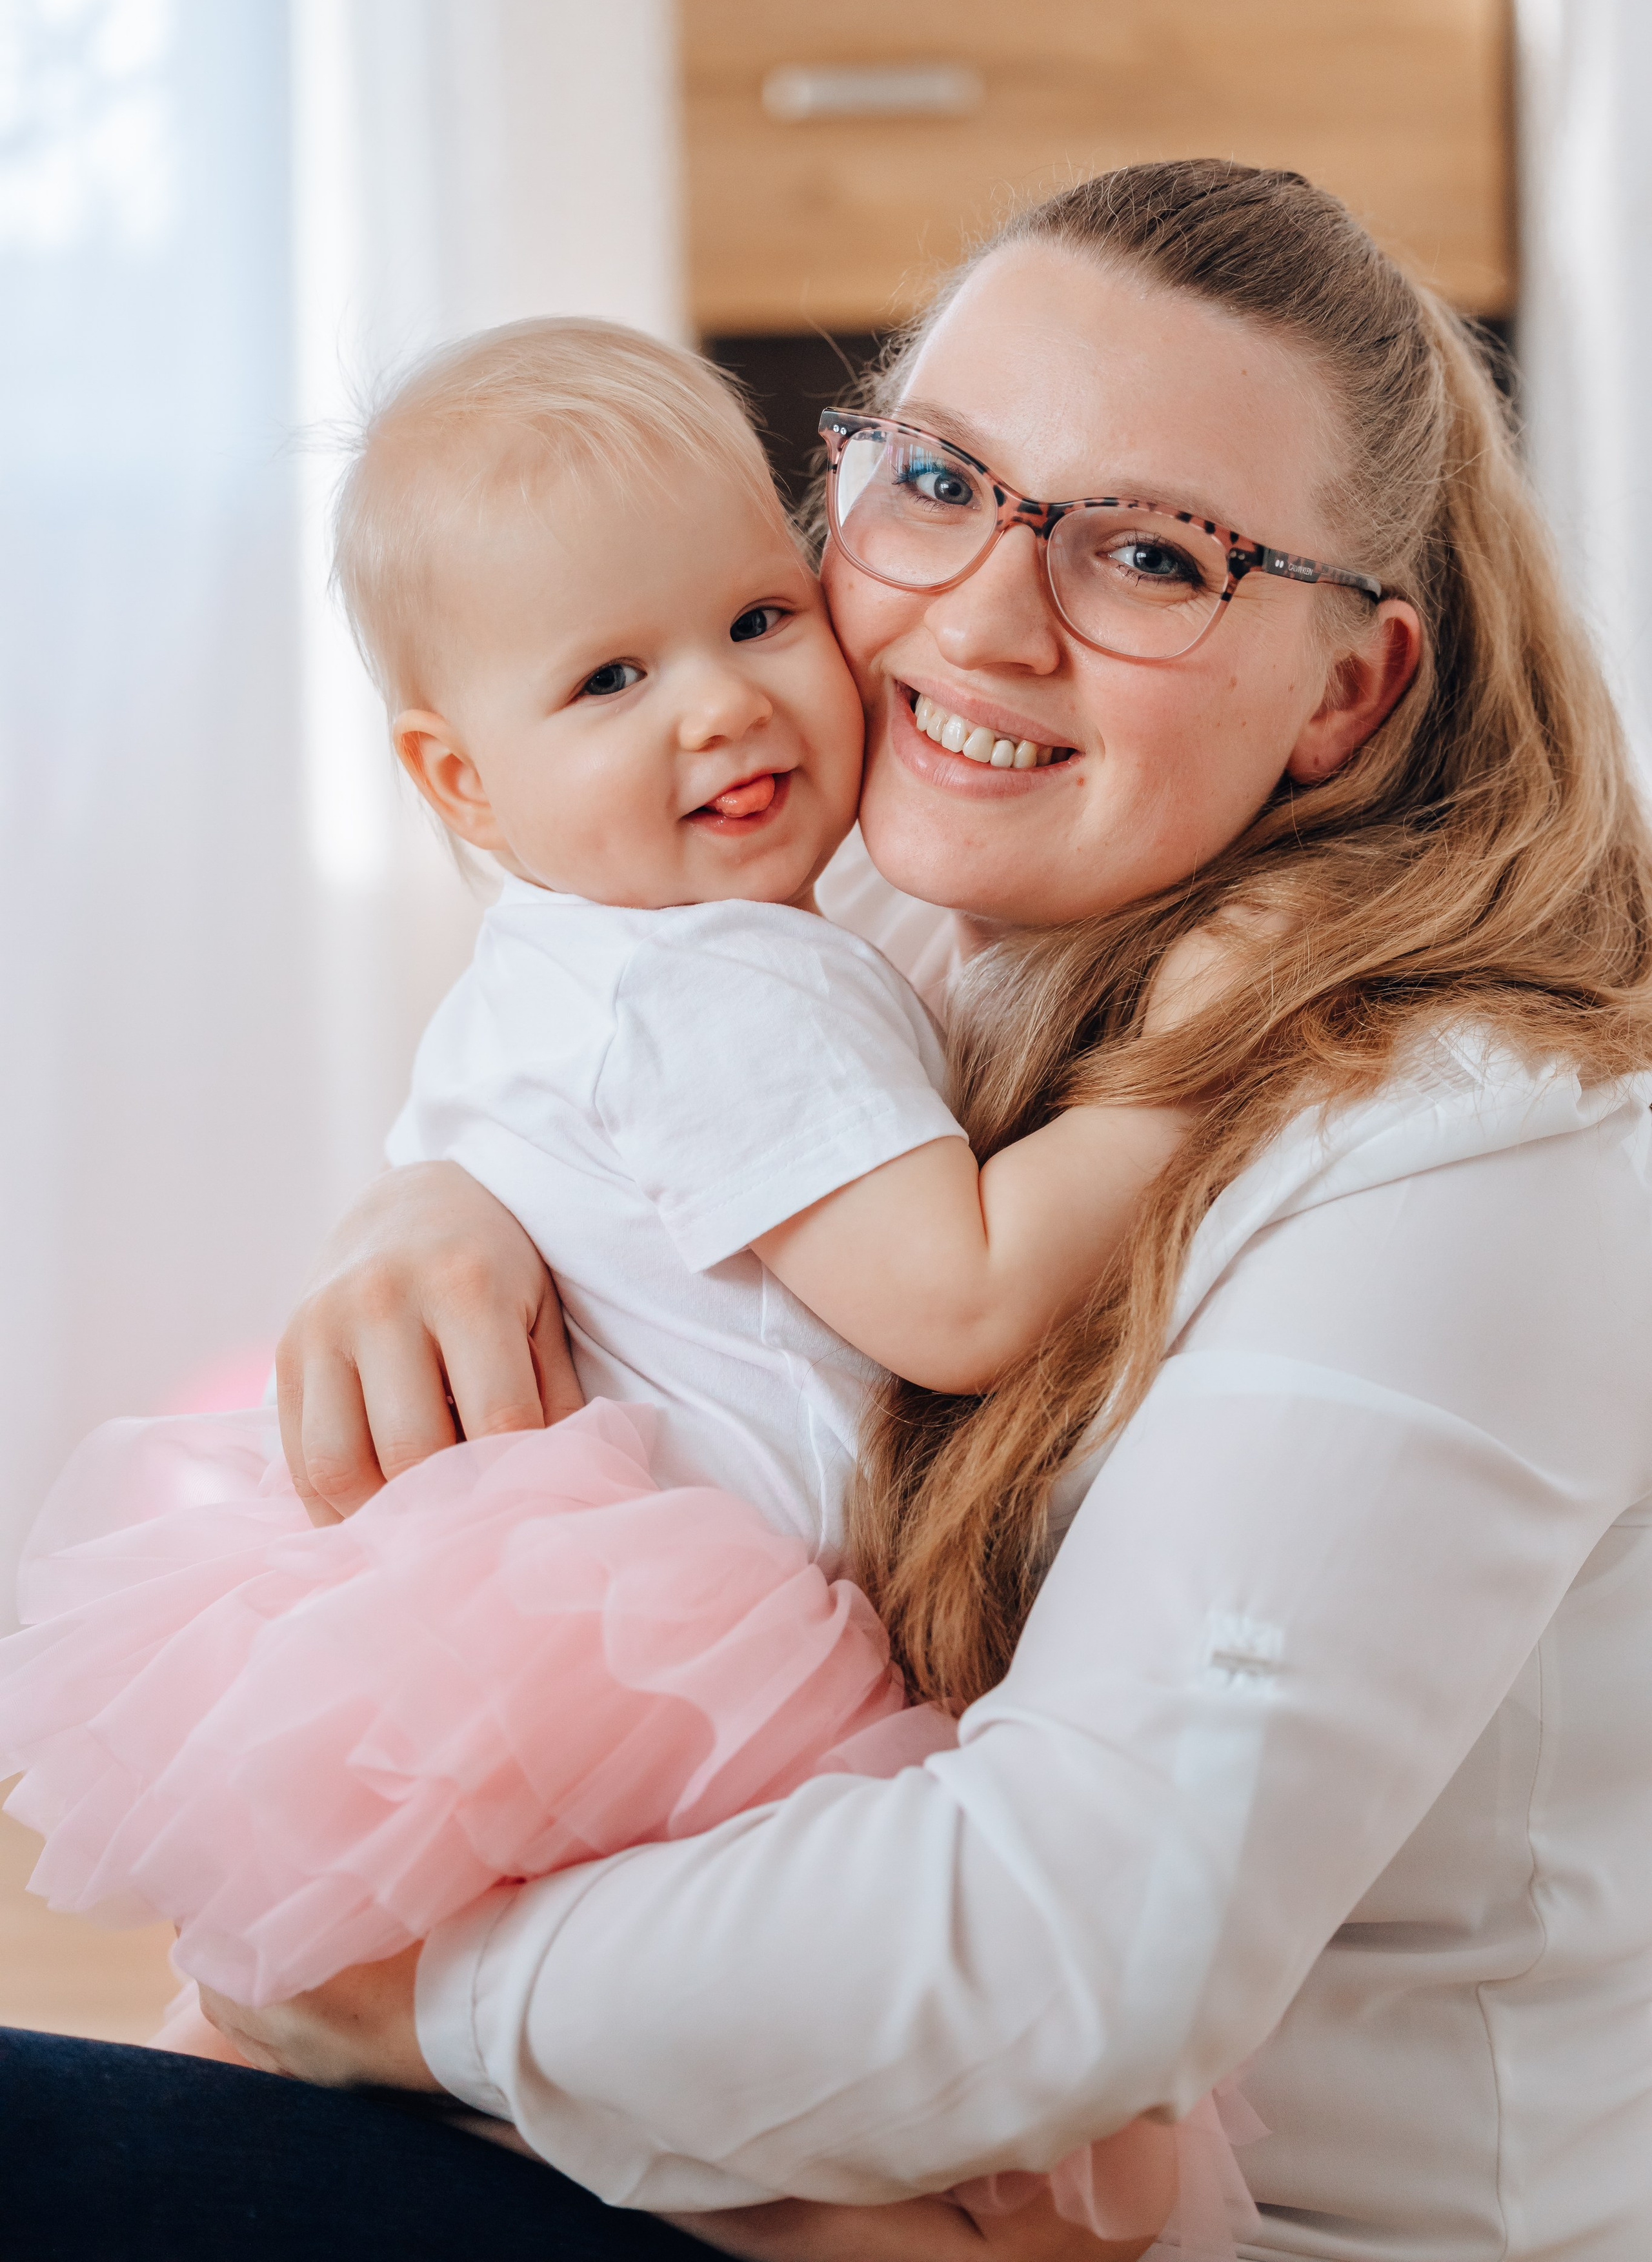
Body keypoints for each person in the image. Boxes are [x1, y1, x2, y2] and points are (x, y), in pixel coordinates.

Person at [6, 157, 1651, 2262]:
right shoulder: (889, 896)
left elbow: (1070, 1950)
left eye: (1154, 556)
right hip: (771, 2108)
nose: (979, 619)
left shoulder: (1479, 1148)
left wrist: (400, 2006)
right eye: (939, 483)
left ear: (1348, 690)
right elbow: (624, 1069)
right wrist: (445, 1194)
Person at [0, 319, 1234, 2257]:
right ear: (462, 781)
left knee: (313, 2048)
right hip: (672, 1664)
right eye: (609, 677)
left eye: (757, 618)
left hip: (531, 1634)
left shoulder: (576, 958)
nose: (720, 706)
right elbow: (965, 1298)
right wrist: (1206, 1070)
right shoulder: (724, 980)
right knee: (885, 2167)